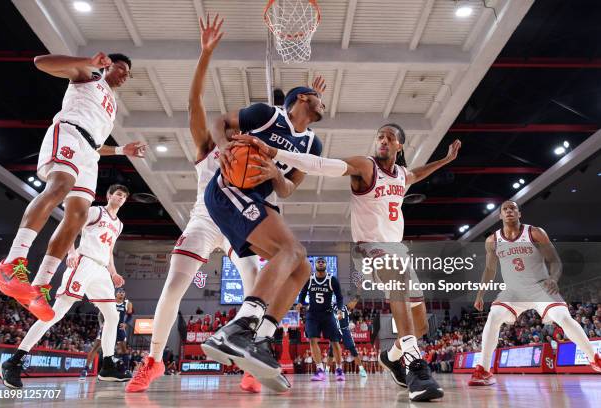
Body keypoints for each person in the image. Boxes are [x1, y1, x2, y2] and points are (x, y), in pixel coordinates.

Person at [234, 124, 460, 401]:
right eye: (380, 136)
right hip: (368, 248)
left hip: (397, 250)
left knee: (420, 326)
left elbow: (417, 173)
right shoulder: (366, 167)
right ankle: (415, 368)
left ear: (400, 145)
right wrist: (275, 151)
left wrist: (446, 160)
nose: (383, 141)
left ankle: (391, 357)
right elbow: (321, 164)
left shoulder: (401, 175)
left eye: (390, 137)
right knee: (398, 280)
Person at [125, 15, 262, 394]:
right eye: (229, 127)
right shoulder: (208, 149)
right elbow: (193, 104)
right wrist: (205, 55)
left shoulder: (257, 159)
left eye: (239, 128)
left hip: (239, 226)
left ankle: (251, 362)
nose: (233, 131)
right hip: (203, 221)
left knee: (259, 290)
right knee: (172, 287)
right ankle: (153, 360)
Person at [200, 41, 327, 390]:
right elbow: (219, 121)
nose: (323, 101)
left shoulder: (313, 145)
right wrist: (224, 146)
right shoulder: (265, 115)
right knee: (291, 251)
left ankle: (262, 339)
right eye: (316, 98)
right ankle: (239, 328)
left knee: (299, 266)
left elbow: (287, 189)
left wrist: (274, 173)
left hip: (255, 195)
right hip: (228, 189)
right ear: (302, 99)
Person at [0, 52, 146, 322]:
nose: (125, 75)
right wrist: (87, 60)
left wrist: (122, 149)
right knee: (59, 187)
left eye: (128, 73)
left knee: (77, 217)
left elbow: (96, 144)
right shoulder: (89, 75)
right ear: (109, 64)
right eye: (122, 68)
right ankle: (13, 262)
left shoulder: (111, 104)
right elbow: (40, 62)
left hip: (90, 152)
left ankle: (40, 286)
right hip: (70, 134)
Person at [0, 185, 132, 388]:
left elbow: (110, 249)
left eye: (124, 196)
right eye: (118, 194)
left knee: (113, 316)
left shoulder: (119, 224)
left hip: (102, 269)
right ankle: (13, 361)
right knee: (56, 313)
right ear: (109, 195)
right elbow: (72, 226)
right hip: (84, 262)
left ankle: (106, 366)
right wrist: (71, 251)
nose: (121, 198)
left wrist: (113, 273)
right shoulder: (97, 211)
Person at [468, 201, 601, 386]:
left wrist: (554, 278)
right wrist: (480, 295)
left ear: (519, 213)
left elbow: (554, 261)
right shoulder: (493, 240)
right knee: (494, 315)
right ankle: (483, 369)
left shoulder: (535, 232)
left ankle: (593, 357)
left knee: (563, 317)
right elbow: (489, 270)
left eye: (513, 208)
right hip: (513, 291)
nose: (509, 211)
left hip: (540, 287)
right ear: (500, 216)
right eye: (504, 209)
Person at [296, 257, 345, 381]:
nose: (321, 263)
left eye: (323, 262)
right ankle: (320, 370)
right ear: (315, 265)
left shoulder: (332, 279)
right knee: (312, 340)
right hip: (312, 314)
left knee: (334, 342)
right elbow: (302, 293)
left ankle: (339, 369)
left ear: (326, 265)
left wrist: (339, 309)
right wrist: (300, 303)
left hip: (328, 314)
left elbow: (339, 297)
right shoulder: (310, 279)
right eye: (319, 262)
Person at [327, 298, 368, 377]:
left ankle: (362, 369)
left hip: (345, 330)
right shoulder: (331, 307)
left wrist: (359, 292)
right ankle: (326, 371)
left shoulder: (345, 307)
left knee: (353, 349)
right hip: (335, 330)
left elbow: (354, 301)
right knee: (331, 351)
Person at [115, 288, 133, 375]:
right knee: (103, 347)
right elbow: (101, 314)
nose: (121, 293)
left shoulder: (127, 303)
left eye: (123, 292)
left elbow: (130, 316)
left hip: (120, 328)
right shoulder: (111, 301)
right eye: (119, 292)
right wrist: (101, 324)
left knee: (124, 349)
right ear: (116, 294)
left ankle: (126, 369)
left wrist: (125, 323)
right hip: (109, 327)